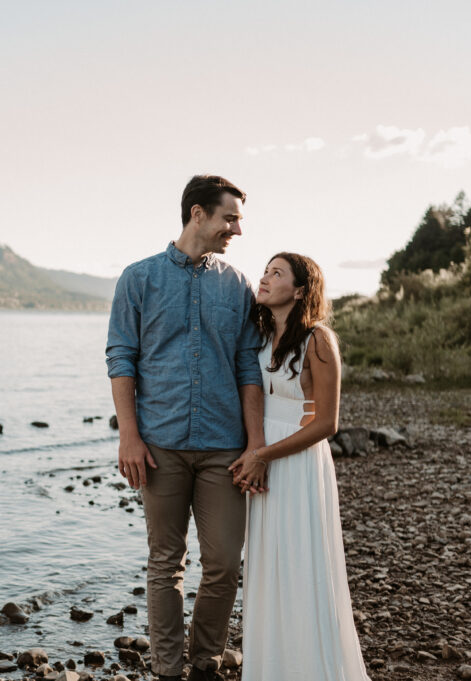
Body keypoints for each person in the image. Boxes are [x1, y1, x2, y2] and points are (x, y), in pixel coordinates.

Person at [106, 175, 265, 681]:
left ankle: (205, 662)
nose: (237, 229)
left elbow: (247, 366)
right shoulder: (138, 278)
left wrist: (256, 445)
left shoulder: (236, 284)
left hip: (224, 447)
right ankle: (168, 670)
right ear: (198, 214)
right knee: (165, 562)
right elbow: (121, 358)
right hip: (160, 445)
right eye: (230, 218)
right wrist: (128, 435)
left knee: (222, 564)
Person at [229, 253, 371, 681]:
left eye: (277, 273)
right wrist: (253, 450)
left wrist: (263, 456)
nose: (265, 278)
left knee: (300, 564)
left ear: (301, 290)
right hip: (262, 453)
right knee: (267, 565)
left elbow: (328, 423)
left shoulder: (319, 340)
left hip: (297, 461)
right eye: (265, 271)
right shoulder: (257, 336)